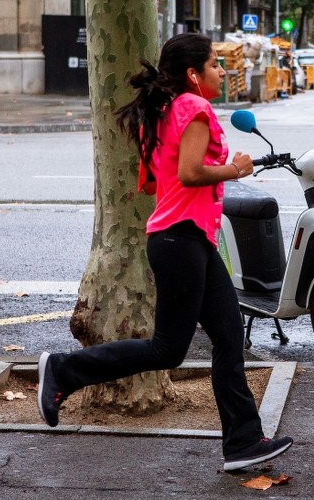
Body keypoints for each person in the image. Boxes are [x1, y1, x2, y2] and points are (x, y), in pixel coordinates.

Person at [36, 33, 293, 472]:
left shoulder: (160, 114)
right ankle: (63, 370)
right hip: (180, 239)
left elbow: (155, 182)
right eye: (214, 65)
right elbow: (190, 173)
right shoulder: (193, 107)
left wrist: (205, 173)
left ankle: (244, 441)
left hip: (186, 239)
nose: (221, 71)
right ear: (193, 74)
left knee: (229, 336)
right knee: (167, 350)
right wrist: (235, 167)